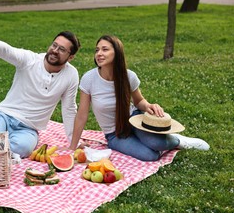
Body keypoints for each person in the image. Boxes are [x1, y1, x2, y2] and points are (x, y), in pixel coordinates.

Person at [69, 35, 209, 161]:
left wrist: (149, 106)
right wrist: (72, 147)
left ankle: (179, 141)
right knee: (150, 155)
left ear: (117, 53)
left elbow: (139, 101)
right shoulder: (89, 79)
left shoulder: (129, 76)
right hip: (114, 134)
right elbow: (82, 115)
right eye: (97, 50)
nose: (99, 53)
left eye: (104, 49)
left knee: (157, 143)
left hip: (135, 120)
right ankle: (144, 140)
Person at [0, 28, 81, 159]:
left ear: (70, 57)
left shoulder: (71, 75)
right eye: (54, 45)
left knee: (23, 148)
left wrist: (74, 142)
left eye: (62, 49)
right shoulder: (30, 60)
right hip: (3, 115)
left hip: (28, 128)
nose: (55, 50)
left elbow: (69, 109)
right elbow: (8, 51)